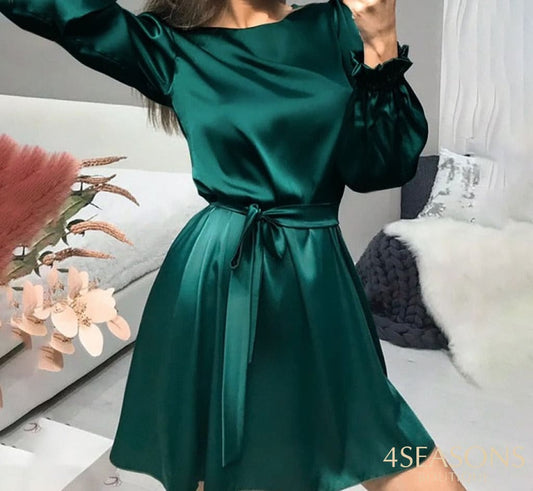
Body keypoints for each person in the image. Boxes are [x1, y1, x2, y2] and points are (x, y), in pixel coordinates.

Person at [0, 1, 467, 490]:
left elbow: (381, 168)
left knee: (381, 438)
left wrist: (380, 41)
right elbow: (65, 11)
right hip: (218, 279)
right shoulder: (171, 48)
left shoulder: (334, 26)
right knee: (222, 456)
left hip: (317, 278)